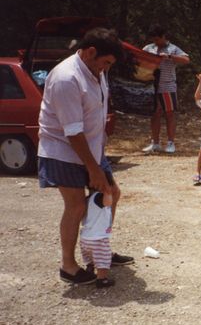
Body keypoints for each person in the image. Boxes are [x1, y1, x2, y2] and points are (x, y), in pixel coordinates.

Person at [38, 28, 134, 285]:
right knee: (77, 205)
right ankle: (68, 266)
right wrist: (93, 169)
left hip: (91, 148)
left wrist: (97, 158)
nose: (106, 68)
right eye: (106, 62)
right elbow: (72, 131)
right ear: (91, 52)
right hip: (63, 150)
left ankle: (99, 252)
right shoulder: (66, 78)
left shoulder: (95, 71)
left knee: (110, 194)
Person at [142, 24, 190, 154]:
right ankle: (155, 143)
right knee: (154, 114)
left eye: (158, 39)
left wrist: (169, 57)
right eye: (153, 39)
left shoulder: (173, 48)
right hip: (152, 86)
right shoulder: (148, 48)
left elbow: (186, 59)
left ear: (164, 36)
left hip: (168, 85)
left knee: (170, 114)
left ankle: (170, 143)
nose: (156, 42)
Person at [80, 191, 116, 288]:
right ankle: (102, 279)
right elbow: (109, 202)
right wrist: (108, 190)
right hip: (97, 238)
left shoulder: (88, 199)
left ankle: (90, 269)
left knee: (90, 257)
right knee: (103, 259)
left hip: (85, 237)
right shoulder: (100, 196)